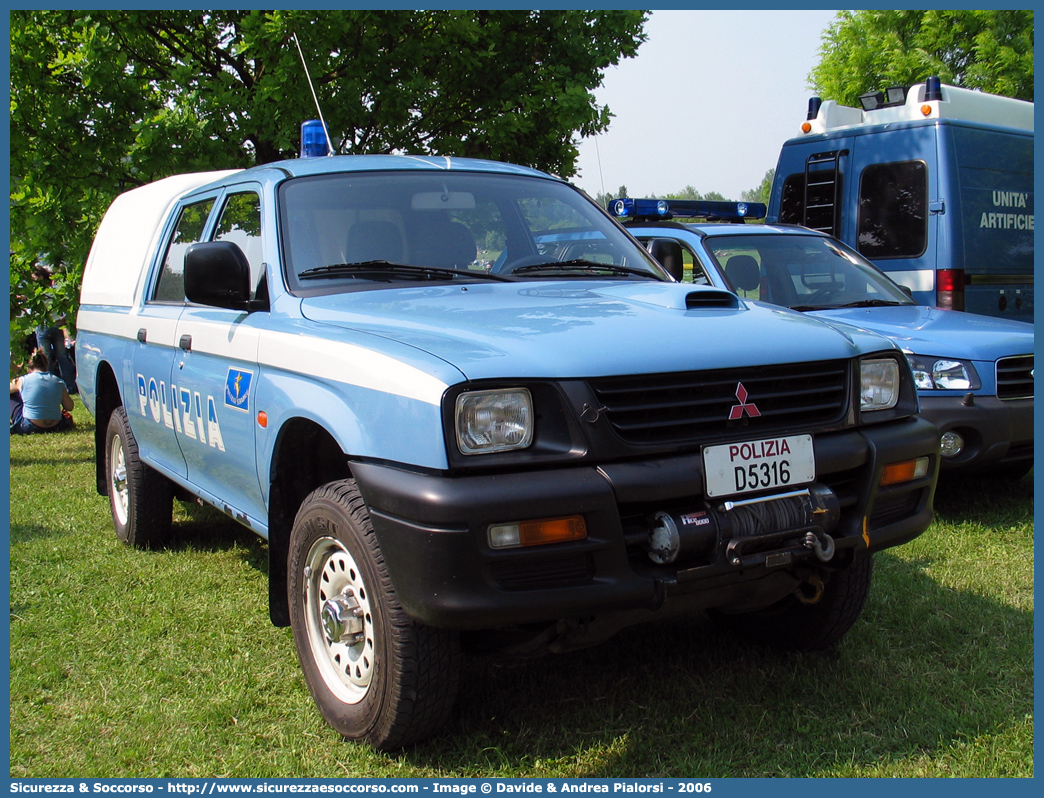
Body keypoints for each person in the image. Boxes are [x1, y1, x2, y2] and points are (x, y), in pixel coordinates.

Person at [10, 350, 75, 435]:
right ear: (47, 365)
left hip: (29, 426)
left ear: (29, 368)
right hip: (56, 425)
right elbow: (69, 407)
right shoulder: (58, 381)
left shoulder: (23, 380)